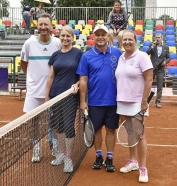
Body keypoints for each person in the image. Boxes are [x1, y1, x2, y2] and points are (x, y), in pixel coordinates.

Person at [76, 25, 122, 172]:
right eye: (98, 35)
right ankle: (98, 156)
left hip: (113, 101)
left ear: (108, 36)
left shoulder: (118, 53)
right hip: (94, 101)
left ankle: (109, 158)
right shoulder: (86, 56)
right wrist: (83, 101)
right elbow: (83, 80)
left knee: (110, 130)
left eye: (103, 34)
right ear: (93, 37)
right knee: (96, 130)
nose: (101, 37)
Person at [20, 13, 62, 163]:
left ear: (51, 26)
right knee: (34, 122)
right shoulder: (29, 43)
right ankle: (36, 149)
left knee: (55, 122)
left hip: (53, 92)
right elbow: (23, 63)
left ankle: (55, 147)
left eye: (46, 24)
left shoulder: (57, 43)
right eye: (41, 24)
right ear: (36, 26)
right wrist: (32, 78)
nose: (43, 27)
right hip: (33, 92)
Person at [115, 30, 153, 183]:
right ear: (121, 42)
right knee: (130, 133)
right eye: (125, 40)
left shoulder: (142, 57)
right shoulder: (120, 58)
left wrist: (144, 101)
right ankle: (133, 161)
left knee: (139, 135)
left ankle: (143, 167)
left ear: (135, 41)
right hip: (122, 101)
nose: (127, 42)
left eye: (130, 39)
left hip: (137, 102)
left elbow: (149, 80)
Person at [45, 26, 83, 173]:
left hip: (70, 96)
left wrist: (78, 84)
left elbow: (83, 75)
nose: (65, 39)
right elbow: (51, 77)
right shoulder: (55, 55)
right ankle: (61, 154)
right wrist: (47, 97)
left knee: (68, 126)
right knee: (58, 127)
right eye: (63, 36)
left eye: (68, 36)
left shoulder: (78, 53)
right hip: (55, 95)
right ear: (59, 37)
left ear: (72, 37)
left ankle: (68, 158)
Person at [146, 33, 170, 108]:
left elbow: (168, 57)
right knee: (148, 84)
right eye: (156, 37)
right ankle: (147, 101)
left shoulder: (166, 47)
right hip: (152, 68)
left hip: (161, 68)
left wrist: (165, 62)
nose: (157, 39)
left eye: (159, 37)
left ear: (161, 38)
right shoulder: (152, 46)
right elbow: (147, 53)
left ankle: (158, 101)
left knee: (159, 86)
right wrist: (152, 46)